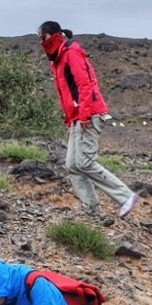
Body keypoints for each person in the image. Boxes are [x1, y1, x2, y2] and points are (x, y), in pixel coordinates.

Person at [38, 21, 138, 219]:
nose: (42, 42)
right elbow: (66, 92)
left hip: (89, 114)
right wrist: (71, 118)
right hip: (77, 117)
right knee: (73, 165)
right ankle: (92, 211)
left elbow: (85, 85)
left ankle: (125, 196)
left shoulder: (70, 53)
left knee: (84, 162)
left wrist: (83, 114)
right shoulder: (57, 59)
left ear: (55, 35)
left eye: (44, 37)